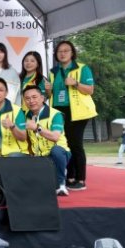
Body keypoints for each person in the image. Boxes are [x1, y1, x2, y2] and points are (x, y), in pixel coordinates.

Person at [46, 40, 96, 191]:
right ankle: (70, 177)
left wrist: (75, 83)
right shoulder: (53, 72)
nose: (62, 54)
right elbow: (51, 95)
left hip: (78, 111)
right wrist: (48, 90)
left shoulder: (82, 68)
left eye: (66, 50)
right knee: (65, 143)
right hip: (58, 110)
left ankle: (81, 179)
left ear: (72, 53)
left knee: (76, 143)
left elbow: (90, 90)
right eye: (59, 51)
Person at [16, 85, 72, 196]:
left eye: (34, 97)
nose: (31, 101)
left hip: (57, 154)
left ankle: (61, 183)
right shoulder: (24, 116)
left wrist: (37, 128)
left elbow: (55, 137)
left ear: (42, 98)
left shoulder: (56, 114)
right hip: (38, 158)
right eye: (27, 98)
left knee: (56, 150)